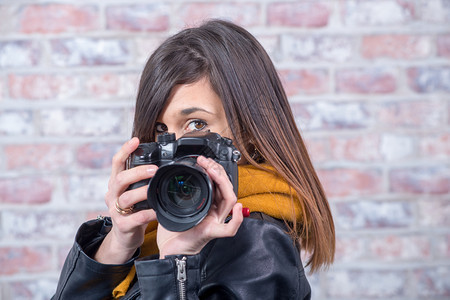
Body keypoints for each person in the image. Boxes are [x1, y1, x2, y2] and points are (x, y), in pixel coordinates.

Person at [52, 19, 335, 299]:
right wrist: (116, 246)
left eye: (197, 125)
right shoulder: (150, 229)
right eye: (161, 130)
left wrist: (177, 261)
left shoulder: (257, 242)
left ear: (249, 131)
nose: (173, 148)